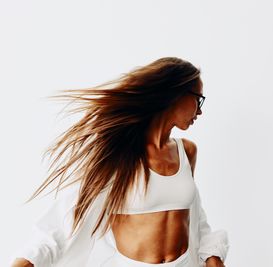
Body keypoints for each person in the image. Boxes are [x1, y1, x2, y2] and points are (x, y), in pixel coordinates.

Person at [9, 57, 229, 267]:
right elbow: (64, 219)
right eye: (198, 99)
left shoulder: (187, 151)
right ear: (175, 94)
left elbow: (194, 214)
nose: (200, 111)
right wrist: (28, 261)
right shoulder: (119, 154)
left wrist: (212, 256)